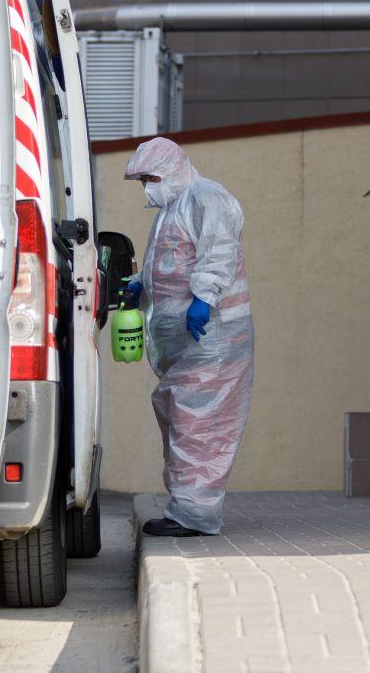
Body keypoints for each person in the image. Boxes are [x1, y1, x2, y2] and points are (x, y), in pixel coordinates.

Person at [124, 137, 254, 537]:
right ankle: (185, 506)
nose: (148, 187)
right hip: (188, 342)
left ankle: (194, 515)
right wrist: (141, 282)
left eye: (152, 178)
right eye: (143, 180)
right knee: (181, 418)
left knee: (201, 424)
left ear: (173, 169)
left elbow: (218, 252)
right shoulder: (172, 209)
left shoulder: (207, 198)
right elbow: (170, 262)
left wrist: (204, 298)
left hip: (213, 335)